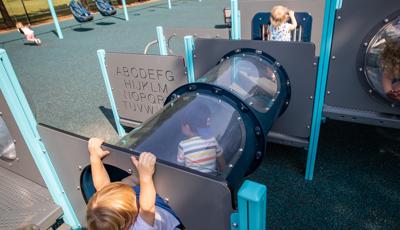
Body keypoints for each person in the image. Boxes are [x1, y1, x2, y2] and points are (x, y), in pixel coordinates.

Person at [86, 138, 182, 230]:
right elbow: (147, 207)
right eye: (135, 200)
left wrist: (95, 157)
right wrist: (145, 176)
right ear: (130, 219)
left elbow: (102, 187)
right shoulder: (141, 227)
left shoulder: (111, 225)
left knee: (119, 187)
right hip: (168, 223)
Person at [177, 103, 225, 174]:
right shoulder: (212, 140)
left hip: (193, 179)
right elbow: (221, 161)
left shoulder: (183, 145)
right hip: (212, 178)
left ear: (187, 126)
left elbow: (180, 166)